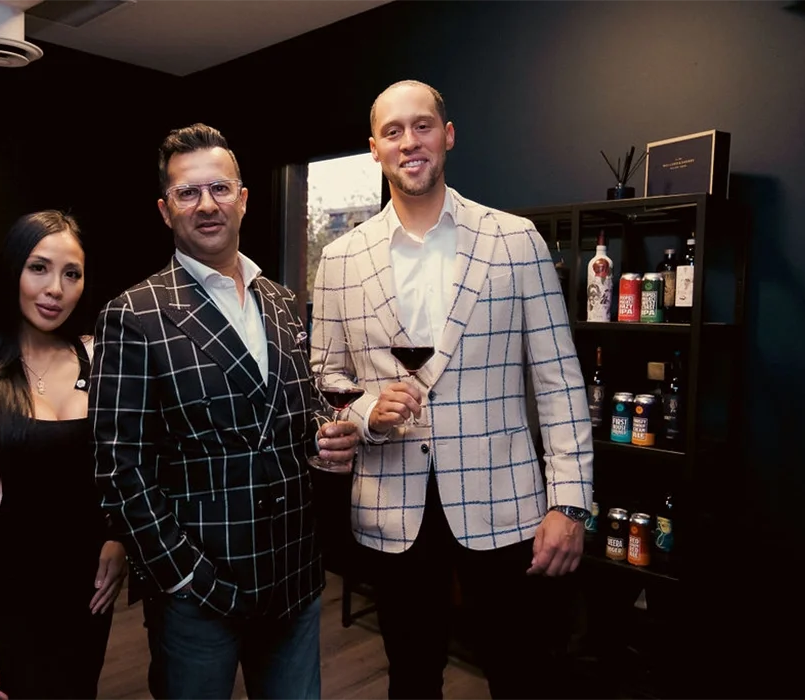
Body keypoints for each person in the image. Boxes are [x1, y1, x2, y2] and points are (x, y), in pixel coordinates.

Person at [310, 80, 594, 699]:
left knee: (522, 675)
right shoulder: (339, 259)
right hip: (392, 505)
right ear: (374, 149)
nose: (409, 142)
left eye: (423, 126)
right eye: (393, 131)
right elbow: (325, 381)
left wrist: (570, 503)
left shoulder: (515, 240)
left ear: (448, 135)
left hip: (506, 503)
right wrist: (367, 412)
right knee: (412, 678)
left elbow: (559, 382)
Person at [88, 123, 359, 700]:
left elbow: (298, 406)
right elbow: (119, 469)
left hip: (292, 573)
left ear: (244, 199)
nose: (206, 204)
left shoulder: (281, 300)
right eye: (187, 192)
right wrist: (182, 574)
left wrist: (323, 434)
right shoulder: (134, 314)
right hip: (199, 591)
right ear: (165, 210)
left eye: (219, 188)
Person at [0, 210, 127, 700]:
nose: (55, 288)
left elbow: (130, 464)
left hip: (86, 593)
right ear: (12, 270)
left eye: (72, 274)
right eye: (39, 268)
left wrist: (120, 537)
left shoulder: (104, 361)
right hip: (6, 592)